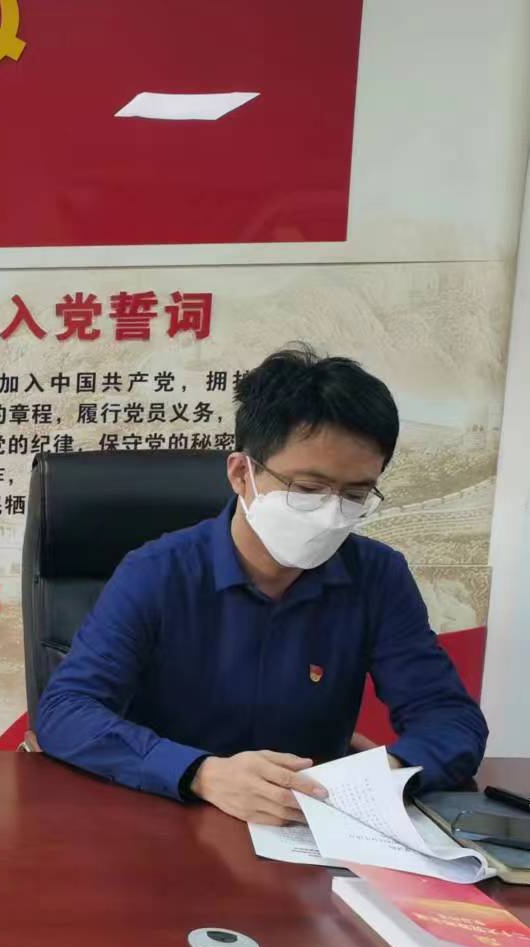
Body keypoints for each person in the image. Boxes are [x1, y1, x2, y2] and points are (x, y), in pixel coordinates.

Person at [35, 346, 486, 826]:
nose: (331, 513)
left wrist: (384, 772)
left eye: (355, 494)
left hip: (311, 823)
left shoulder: (378, 576)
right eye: (308, 489)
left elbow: (450, 719)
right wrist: (202, 774)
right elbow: (66, 710)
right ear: (240, 473)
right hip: (170, 817)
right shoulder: (157, 572)